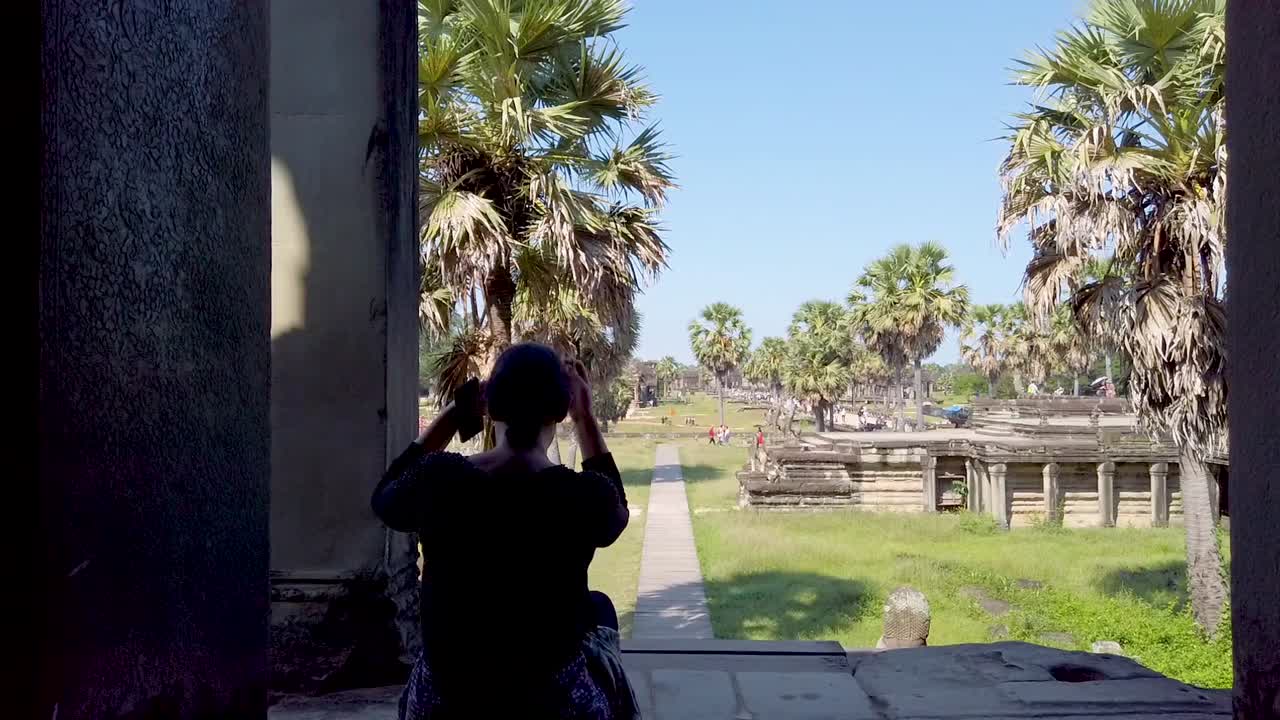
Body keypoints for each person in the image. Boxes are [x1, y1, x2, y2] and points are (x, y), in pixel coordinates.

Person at [372, 344, 639, 719]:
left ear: (490, 405)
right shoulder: (581, 495)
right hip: (549, 701)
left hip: (449, 698)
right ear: (562, 409)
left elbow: (384, 498)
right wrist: (585, 418)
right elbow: (617, 512)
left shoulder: (439, 478)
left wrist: (455, 414)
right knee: (599, 608)